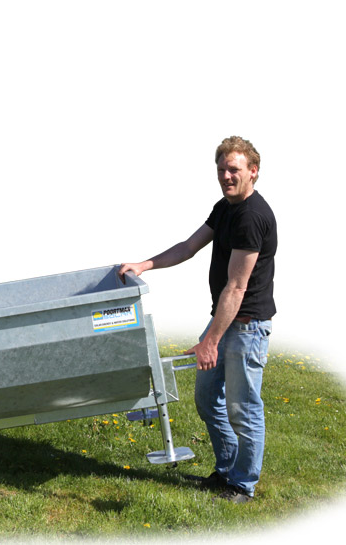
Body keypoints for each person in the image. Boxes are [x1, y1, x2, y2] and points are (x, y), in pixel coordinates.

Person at [118, 136, 277, 504]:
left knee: (243, 409)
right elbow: (189, 247)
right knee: (207, 400)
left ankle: (243, 485)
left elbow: (236, 287)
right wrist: (145, 264)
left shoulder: (252, 217)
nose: (226, 176)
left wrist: (210, 341)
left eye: (234, 169)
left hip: (247, 325)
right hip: (226, 319)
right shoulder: (225, 207)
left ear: (253, 171)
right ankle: (227, 470)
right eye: (221, 169)